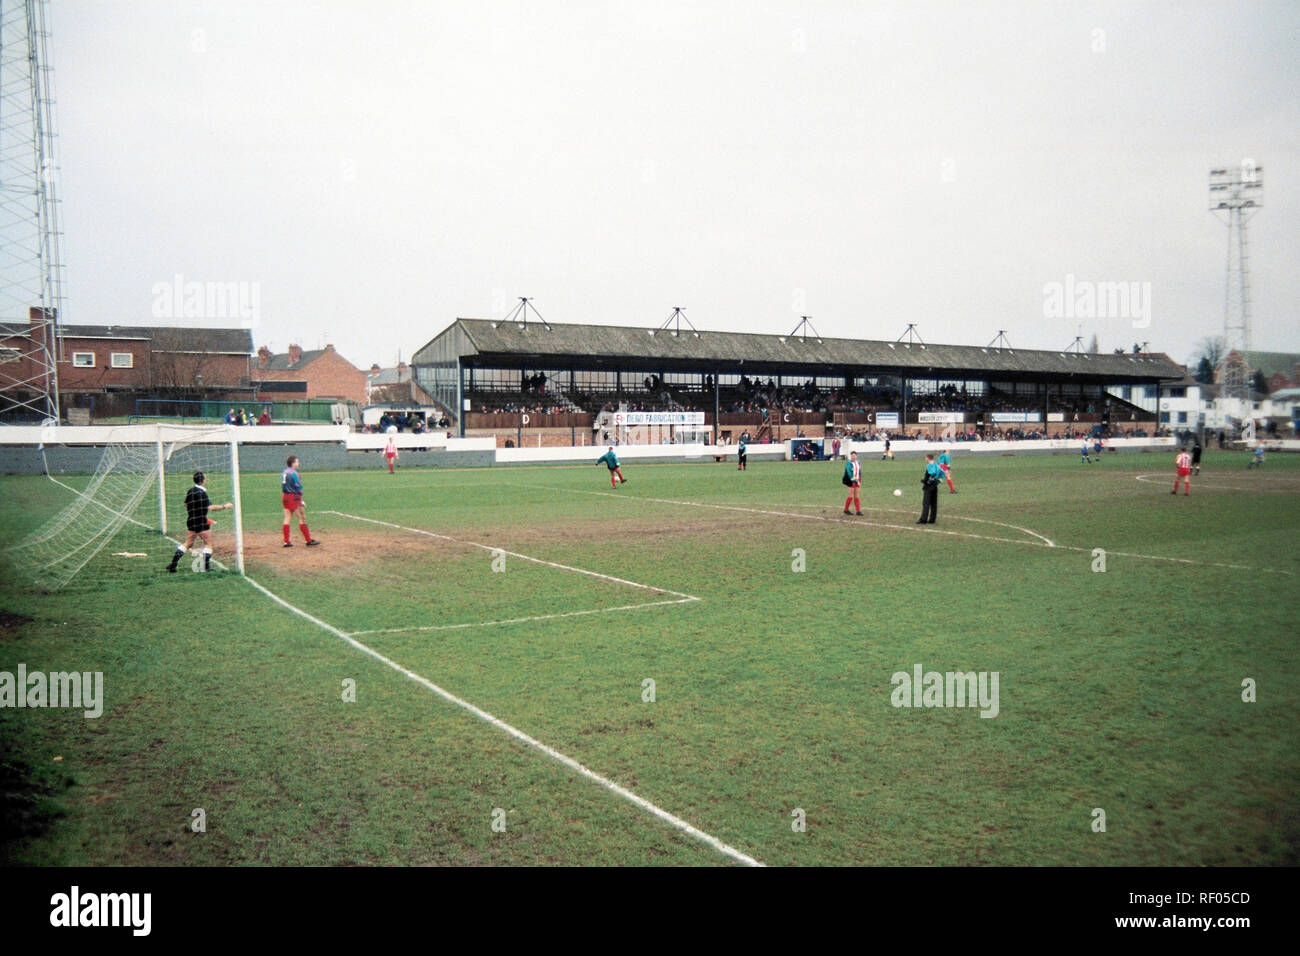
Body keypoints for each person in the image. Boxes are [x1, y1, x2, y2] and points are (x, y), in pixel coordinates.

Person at [166, 471, 232, 573]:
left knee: (188, 543)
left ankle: (173, 565)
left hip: (191, 520)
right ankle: (206, 567)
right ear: (203, 481)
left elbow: (186, 505)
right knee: (208, 543)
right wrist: (225, 506)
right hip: (200, 521)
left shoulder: (191, 490)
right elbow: (211, 508)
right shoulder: (202, 493)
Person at [281, 455, 319, 547]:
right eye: (297, 462)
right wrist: (300, 499)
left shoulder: (284, 472)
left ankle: (286, 541)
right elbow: (298, 486)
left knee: (287, 517)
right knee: (302, 517)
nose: (298, 463)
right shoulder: (294, 473)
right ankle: (308, 540)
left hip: (285, 496)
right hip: (294, 496)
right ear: (293, 463)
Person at [918, 453, 942, 523]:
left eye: (926, 458)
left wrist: (925, 481)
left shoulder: (929, 466)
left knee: (926, 503)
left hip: (928, 487)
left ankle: (923, 519)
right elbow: (940, 474)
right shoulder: (936, 465)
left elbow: (931, 474)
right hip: (935, 486)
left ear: (928, 458)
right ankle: (932, 519)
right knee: (934, 503)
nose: (925, 459)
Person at [842, 451, 863, 515]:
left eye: (854, 455)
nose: (853, 457)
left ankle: (858, 511)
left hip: (857, 480)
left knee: (857, 496)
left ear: (856, 456)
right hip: (850, 480)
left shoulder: (858, 462)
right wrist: (855, 481)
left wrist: (859, 480)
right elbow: (849, 473)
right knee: (851, 495)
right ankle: (846, 510)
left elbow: (859, 472)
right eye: (852, 455)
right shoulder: (849, 463)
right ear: (850, 456)